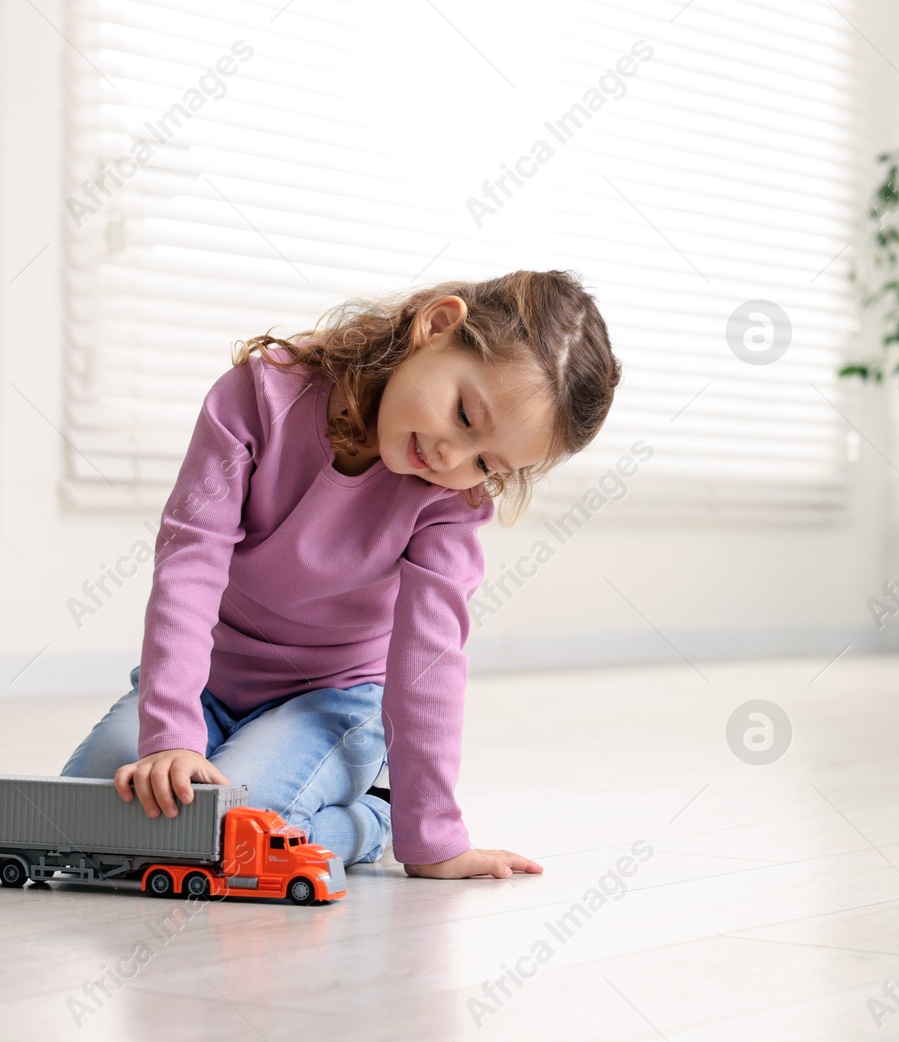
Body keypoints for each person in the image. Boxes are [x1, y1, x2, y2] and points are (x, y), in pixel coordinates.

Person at [61, 270, 621, 879]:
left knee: (230, 831)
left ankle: (370, 817)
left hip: (331, 701)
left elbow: (430, 655)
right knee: (89, 804)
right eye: (463, 414)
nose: (451, 459)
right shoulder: (260, 397)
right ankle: (269, 785)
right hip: (207, 686)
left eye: (486, 460)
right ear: (436, 326)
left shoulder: (449, 503)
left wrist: (431, 836)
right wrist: (171, 733)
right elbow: (190, 561)